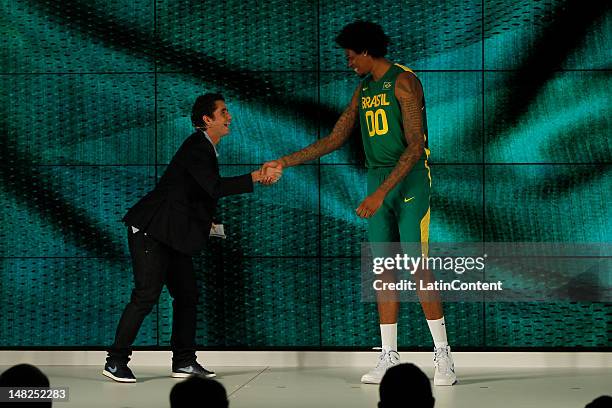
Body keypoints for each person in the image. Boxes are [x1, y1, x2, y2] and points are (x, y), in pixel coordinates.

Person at [262, 21, 456, 385]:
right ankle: (388, 357)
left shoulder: (404, 81)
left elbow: (415, 146)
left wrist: (381, 192)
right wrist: (284, 162)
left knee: (417, 265)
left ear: (366, 51)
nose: (349, 63)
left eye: (351, 56)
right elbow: (335, 137)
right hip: (377, 179)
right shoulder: (363, 90)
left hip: (410, 180)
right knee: (383, 270)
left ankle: (443, 358)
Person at [103, 93, 281, 383]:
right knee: (145, 296)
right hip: (152, 232)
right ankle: (115, 361)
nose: (229, 117)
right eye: (223, 112)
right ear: (207, 120)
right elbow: (212, 187)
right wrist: (256, 177)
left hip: (172, 234)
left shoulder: (206, 148)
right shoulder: (198, 146)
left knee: (187, 295)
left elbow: (190, 191)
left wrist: (206, 219)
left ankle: (184, 361)